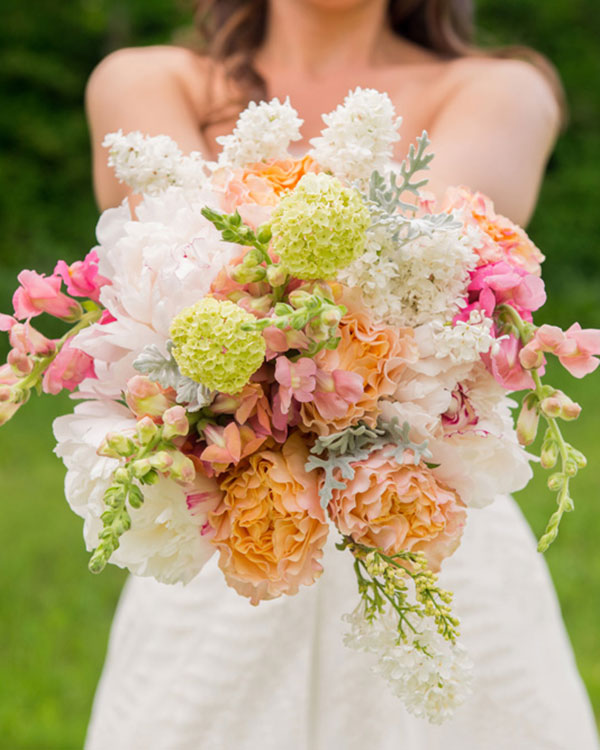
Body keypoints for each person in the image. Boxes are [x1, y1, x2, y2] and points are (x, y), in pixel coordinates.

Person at [83, 1, 600, 748]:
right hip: (226, 543)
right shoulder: (147, 79)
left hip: (419, 527)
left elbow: (425, 291)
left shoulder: (501, 89)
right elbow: (176, 288)